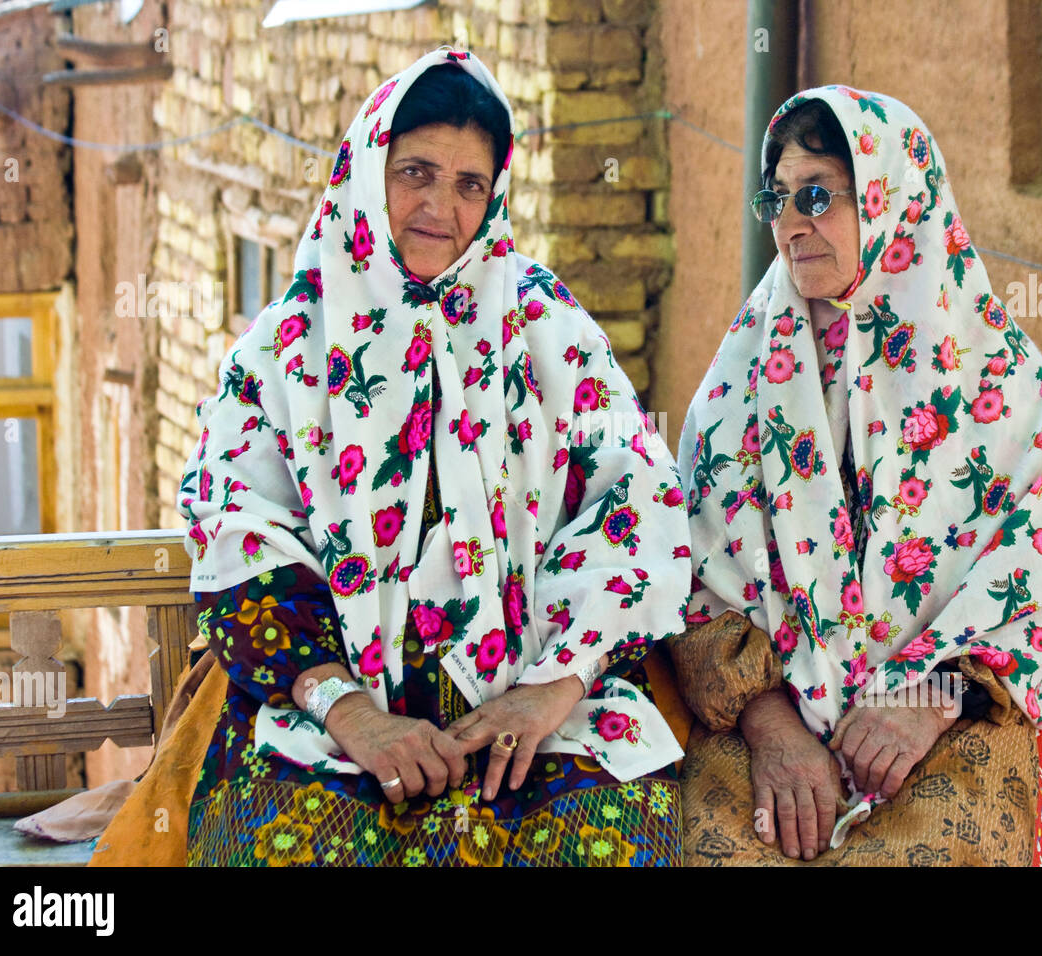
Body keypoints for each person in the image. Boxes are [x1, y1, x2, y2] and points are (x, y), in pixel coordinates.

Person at [173, 49, 691, 867]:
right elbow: (235, 528)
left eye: (469, 185)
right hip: (336, 718)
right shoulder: (289, 344)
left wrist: (555, 686)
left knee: (607, 841)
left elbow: (640, 499)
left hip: (527, 715)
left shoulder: (544, 325)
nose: (440, 207)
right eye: (416, 172)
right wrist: (351, 713)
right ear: (367, 171)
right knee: (285, 847)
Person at [670, 85, 1042, 867]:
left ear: (892, 202)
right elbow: (692, 574)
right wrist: (773, 726)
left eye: (819, 195)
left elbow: (1027, 582)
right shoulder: (743, 373)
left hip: (949, 723)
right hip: (771, 720)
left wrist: (923, 706)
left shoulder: (997, 378)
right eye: (778, 197)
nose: (791, 224)